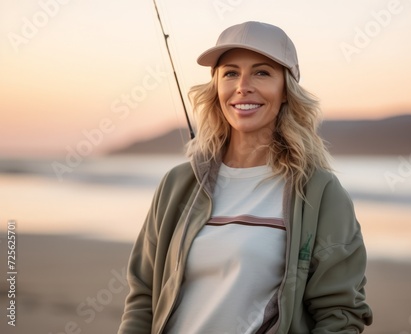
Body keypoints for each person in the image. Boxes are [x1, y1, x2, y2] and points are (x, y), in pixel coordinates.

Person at [118, 21, 373, 334]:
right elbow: (143, 296)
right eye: (230, 73)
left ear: (285, 91)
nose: (243, 86)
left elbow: (340, 315)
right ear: (217, 88)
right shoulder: (178, 185)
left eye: (262, 72)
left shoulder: (320, 193)